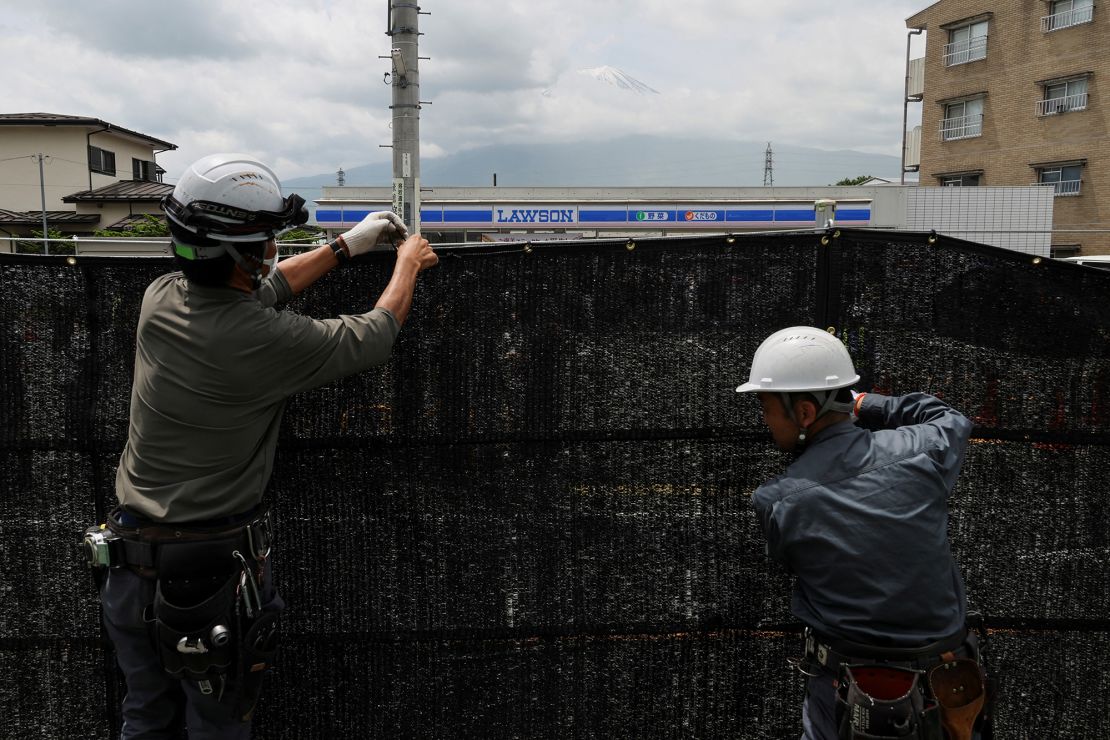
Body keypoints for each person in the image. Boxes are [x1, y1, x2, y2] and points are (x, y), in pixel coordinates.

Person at [89, 153, 438, 738]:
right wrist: (407, 263)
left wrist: (345, 247)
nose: (274, 251)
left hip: (128, 570)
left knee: (145, 715)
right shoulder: (265, 340)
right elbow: (374, 334)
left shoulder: (161, 299)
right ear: (243, 254)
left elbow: (264, 289)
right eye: (268, 241)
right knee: (219, 725)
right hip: (209, 580)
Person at [736, 326, 986, 740]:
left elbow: (790, 563)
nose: (764, 419)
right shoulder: (921, 452)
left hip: (844, 694)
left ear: (803, 413)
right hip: (947, 689)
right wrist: (866, 403)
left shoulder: (778, 501)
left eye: (766, 407)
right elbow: (951, 419)